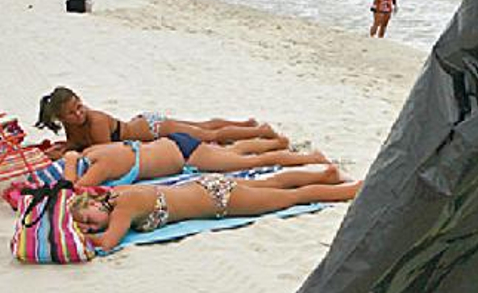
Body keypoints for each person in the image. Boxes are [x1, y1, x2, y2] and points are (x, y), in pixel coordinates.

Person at [67, 167, 362, 251]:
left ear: (94, 203)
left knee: (291, 198)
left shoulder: (122, 208)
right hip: (207, 187)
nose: (92, 227)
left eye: (88, 220)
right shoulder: (117, 195)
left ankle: (351, 190)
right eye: (88, 226)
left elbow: (106, 243)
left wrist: (77, 236)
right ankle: (326, 174)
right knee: (273, 184)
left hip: (219, 201)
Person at [35, 86, 278, 159]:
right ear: (61, 118)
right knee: (203, 126)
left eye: (79, 106)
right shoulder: (72, 125)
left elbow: (101, 150)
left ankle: (259, 130)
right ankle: (247, 124)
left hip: (152, 129)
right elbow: (77, 142)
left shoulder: (95, 120)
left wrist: (71, 151)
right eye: (71, 113)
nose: (79, 113)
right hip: (143, 126)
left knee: (208, 135)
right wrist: (67, 146)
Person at [62, 133, 329, 187]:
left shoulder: (100, 165)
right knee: (233, 154)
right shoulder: (95, 152)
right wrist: (73, 157)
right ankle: (275, 141)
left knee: (247, 163)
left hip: (186, 153)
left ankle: (309, 157)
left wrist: (70, 165)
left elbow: (74, 189)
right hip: (176, 145)